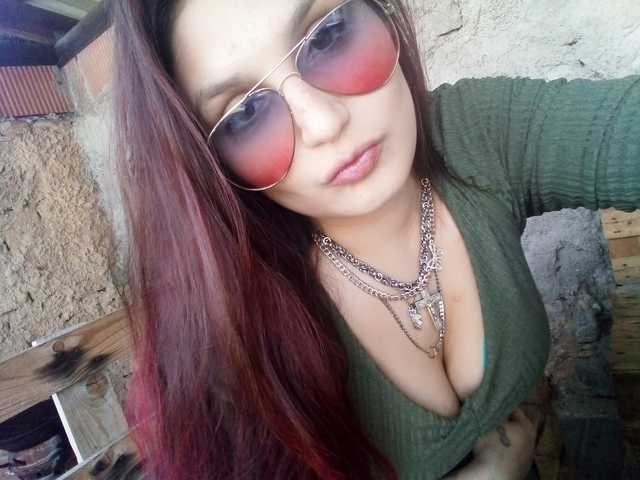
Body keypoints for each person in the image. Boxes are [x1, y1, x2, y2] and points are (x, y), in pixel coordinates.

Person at [109, 0, 640, 479]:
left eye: (329, 34)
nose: (324, 123)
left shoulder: (474, 136)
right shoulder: (230, 337)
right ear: (209, 165)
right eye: (244, 114)